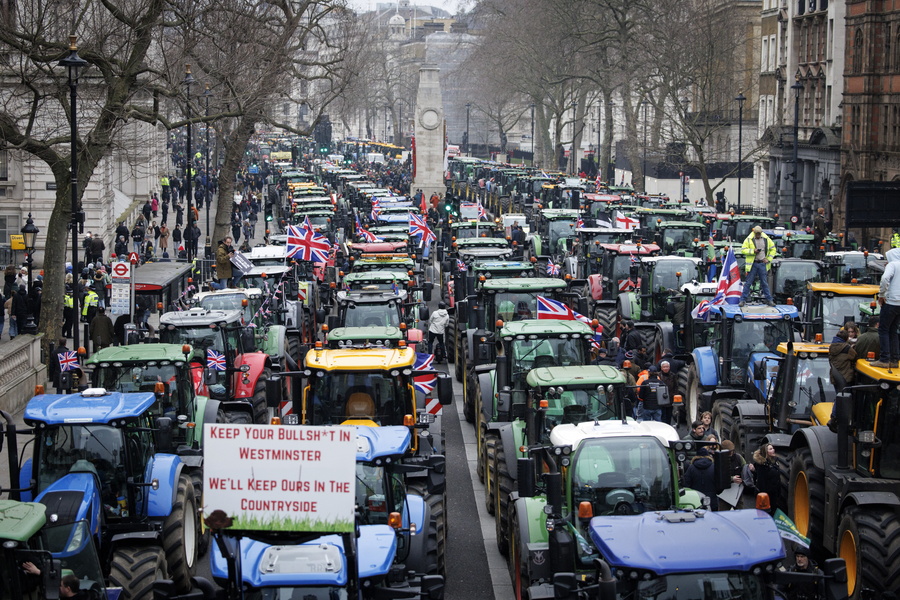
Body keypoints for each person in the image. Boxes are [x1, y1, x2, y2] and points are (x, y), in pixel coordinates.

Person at [873, 247, 900, 368]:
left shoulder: (893, 265)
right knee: (893, 331)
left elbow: (884, 279)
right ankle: (894, 360)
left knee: (883, 330)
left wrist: (881, 294)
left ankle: (884, 359)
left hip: (891, 302)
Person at [739, 226, 776, 306]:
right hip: (753, 264)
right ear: (754, 233)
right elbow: (743, 250)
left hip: (762, 263)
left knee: (764, 283)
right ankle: (742, 300)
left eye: (759, 234)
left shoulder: (766, 239)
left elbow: (773, 249)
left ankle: (769, 300)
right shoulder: (749, 239)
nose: (758, 236)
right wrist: (753, 251)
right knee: (748, 283)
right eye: (756, 234)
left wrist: (768, 259)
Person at [748, 443, 782, 514]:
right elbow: (761, 483)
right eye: (770, 449)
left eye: (773, 448)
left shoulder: (774, 462)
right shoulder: (762, 466)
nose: (773, 450)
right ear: (766, 453)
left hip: (774, 494)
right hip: (766, 496)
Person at [719, 440, 746, 509]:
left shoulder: (739, 458)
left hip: (737, 492)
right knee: (723, 514)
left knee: (739, 514)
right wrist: (732, 479)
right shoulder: (719, 460)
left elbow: (745, 469)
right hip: (723, 492)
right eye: (728, 451)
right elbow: (718, 475)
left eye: (732, 451)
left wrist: (750, 469)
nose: (731, 453)